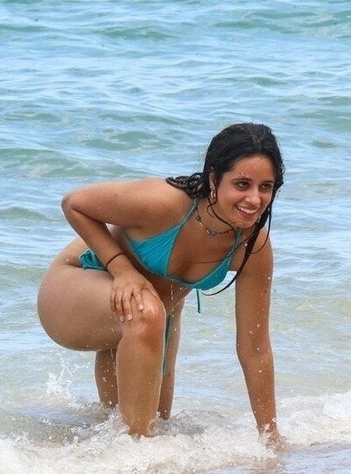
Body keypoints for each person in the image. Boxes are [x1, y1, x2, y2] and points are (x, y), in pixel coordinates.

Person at [37, 123, 284, 446]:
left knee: (152, 423)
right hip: (76, 283)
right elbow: (74, 203)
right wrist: (121, 268)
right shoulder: (164, 202)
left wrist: (271, 438)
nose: (254, 198)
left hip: (149, 314)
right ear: (213, 179)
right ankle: (140, 461)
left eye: (265, 187)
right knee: (143, 437)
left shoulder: (252, 247)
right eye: (242, 184)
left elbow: (255, 348)